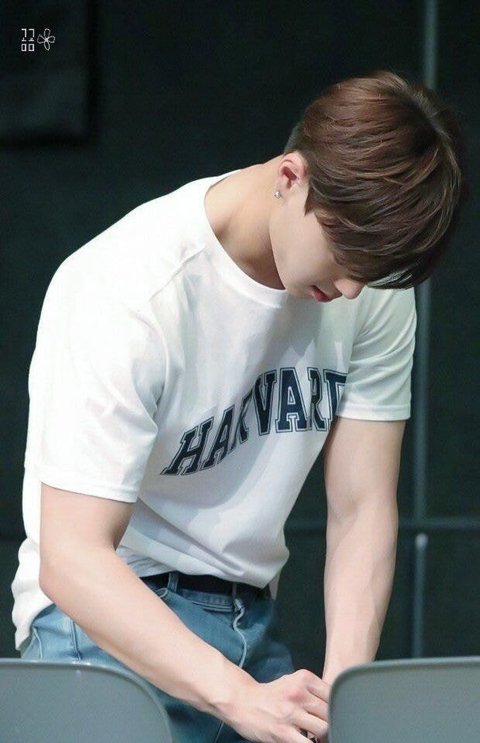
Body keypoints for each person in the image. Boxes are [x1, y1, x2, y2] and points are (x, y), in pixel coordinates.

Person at [11, 69, 466, 743]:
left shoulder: (371, 288)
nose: (350, 287)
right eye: (344, 252)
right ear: (290, 178)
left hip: (247, 626)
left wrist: (345, 698)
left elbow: (362, 508)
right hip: (103, 627)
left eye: (372, 272)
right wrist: (237, 697)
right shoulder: (130, 289)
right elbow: (73, 557)